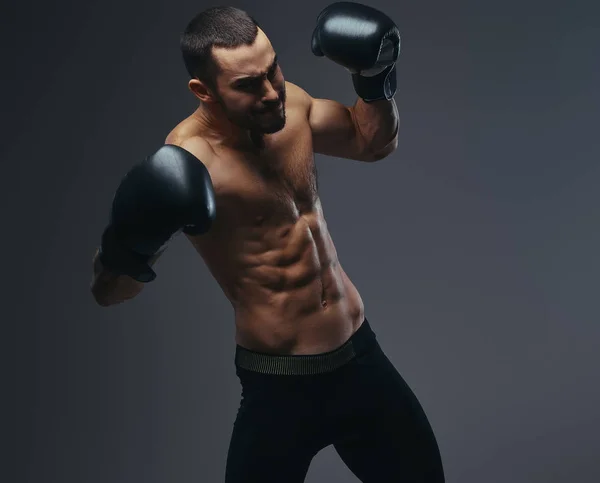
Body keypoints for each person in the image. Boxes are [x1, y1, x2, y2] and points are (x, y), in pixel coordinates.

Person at [90, 3, 445, 482]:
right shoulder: (190, 165)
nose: (271, 92)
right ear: (204, 91)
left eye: (272, 68)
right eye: (247, 84)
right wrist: (124, 249)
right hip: (281, 387)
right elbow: (110, 293)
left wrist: (375, 76)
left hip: (359, 358)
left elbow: (371, 142)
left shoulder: (290, 104)